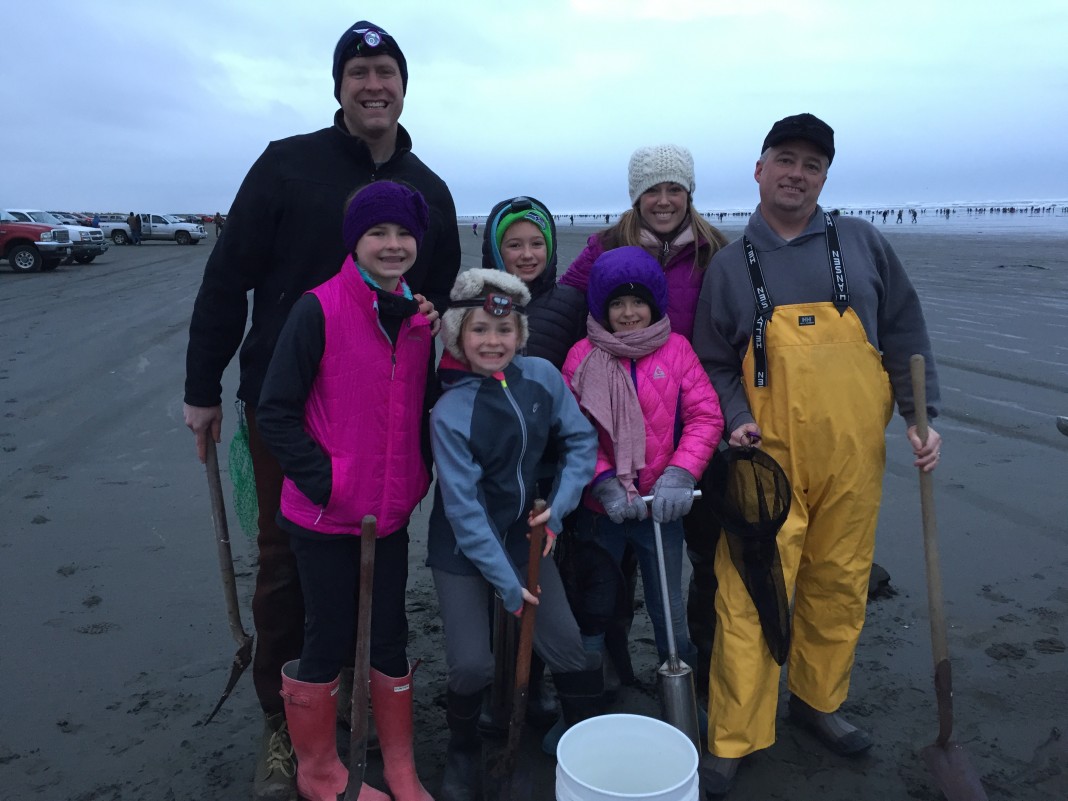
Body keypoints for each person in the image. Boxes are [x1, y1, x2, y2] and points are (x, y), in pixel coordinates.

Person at [182, 20, 461, 800]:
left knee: (373, 573)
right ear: (339, 86)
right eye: (360, 71)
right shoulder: (285, 166)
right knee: (284, 564)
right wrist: (202, 388)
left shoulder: (428, 191)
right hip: (284, 407)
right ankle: (283, 721)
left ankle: (353, 715)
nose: (375, 84)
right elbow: (226, 275)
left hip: (387, 418)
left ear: (405, 87)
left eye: (387, 72)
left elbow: (435, 311)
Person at [691, 113, 942, 795]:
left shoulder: (862, 243)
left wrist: (922, 416)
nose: (797, 174)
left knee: (838, 580)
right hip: (763, 465)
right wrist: (737, 418)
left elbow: (904, 330)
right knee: (748, 594)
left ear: (824, 176)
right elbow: (710, 362)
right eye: (785, 160)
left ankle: (818, 701)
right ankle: (734, 734)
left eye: (812, 164)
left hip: (853, 455)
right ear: (759, 167)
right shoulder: (729, 265)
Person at [256, 181, 435, 801]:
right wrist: (328, 483)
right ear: (354, 241)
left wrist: (413, 480)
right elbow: (275, 411)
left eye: (403, 233)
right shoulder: (319, 309)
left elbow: (416, 410)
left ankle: (400, 766)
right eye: (378, 233)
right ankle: (321, 772)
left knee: (389, 636)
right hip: (325, 517)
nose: (392, 245)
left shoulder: (418, 321)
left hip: (387, 516)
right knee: (327, 639)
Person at [558, 144, 730, 688]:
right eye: (651, 190)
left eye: (673, 188)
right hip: (610, 459)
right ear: (636, 195)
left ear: (689, 193)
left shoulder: (712, 250)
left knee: (692, 568)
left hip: (682, 428)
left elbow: (740, 325)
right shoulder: (605, 246)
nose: (662, 200)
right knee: (606, 580)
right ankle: (608, 678)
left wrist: (691, 462)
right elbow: (563, 307)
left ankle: (690, 676)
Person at [427, 268, 600, 801]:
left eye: (504, 331)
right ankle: (463, 751)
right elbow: (463, 509)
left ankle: (581, 742)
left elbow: (581, 440)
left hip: (528, 535)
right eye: (478, 330)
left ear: (519, 334)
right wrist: (508, 587)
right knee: (473, 663)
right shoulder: (450, 411)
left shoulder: (543, 377)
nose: (493, 342)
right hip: (463, 547)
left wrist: (560, 509)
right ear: (459, 335)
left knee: (568, 646)